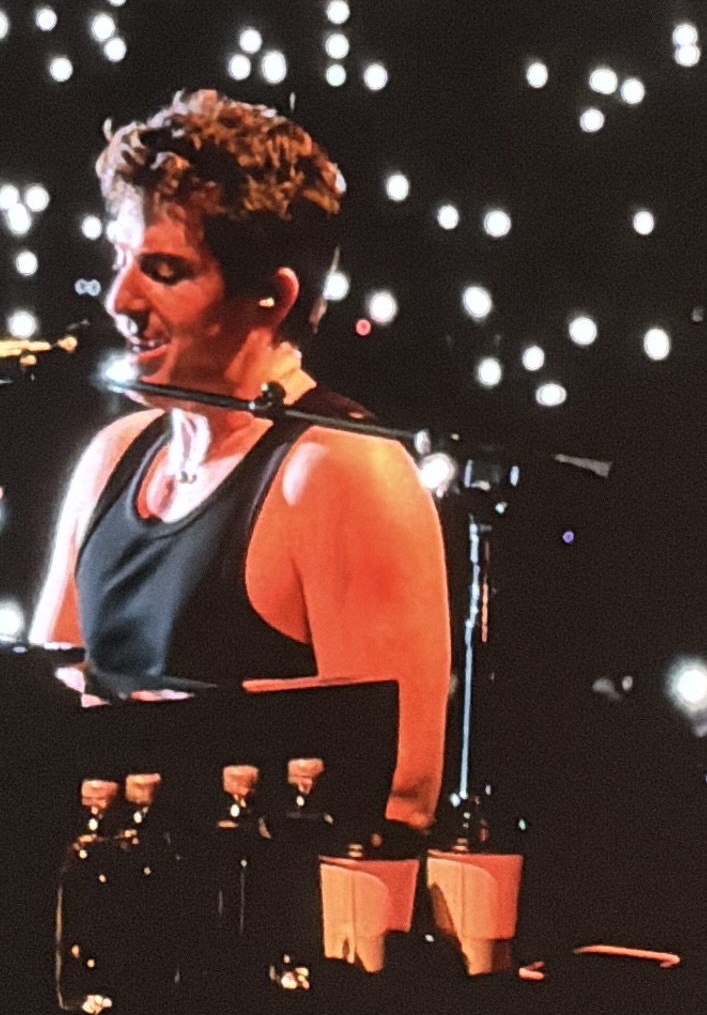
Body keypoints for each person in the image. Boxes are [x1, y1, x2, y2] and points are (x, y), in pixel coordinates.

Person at [31, 92, 452, 832]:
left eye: (163, 270)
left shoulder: (341, 470)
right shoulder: (111, 458)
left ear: (271, 297)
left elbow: (399, 789)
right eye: (121, 260)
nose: (119, 299)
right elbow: (37, 712)